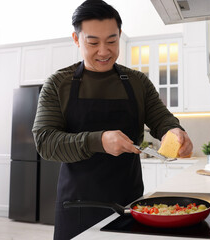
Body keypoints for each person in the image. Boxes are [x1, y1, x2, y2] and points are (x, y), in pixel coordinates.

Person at [32, 0, 193, 239]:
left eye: (112, 41)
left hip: (129, 205)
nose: (104, 51)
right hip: (77, 207)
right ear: (77, 40)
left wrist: (175, 132)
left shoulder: (137, 82)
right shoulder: (58, 84)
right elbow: (45, 141)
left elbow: (162, 120)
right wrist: (99, 141)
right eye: (93, 42)